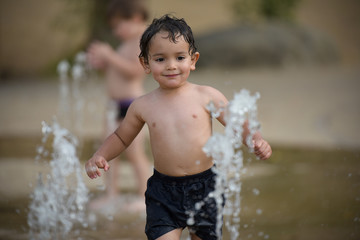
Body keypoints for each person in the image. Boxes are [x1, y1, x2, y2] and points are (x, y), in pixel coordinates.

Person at [85, 14, 272, 240]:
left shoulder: (206, 95)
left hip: (205, 187)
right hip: (163, 192)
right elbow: (122, 137)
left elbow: (236, 121)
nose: (171, 66)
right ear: (145, 63)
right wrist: (101, 155)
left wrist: (256, 139)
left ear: (193, 60)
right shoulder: (142, 105)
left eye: (180, 57)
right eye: (160, 59)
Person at [86, 0, 151, 212]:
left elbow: (135, 71)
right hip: (113, 105)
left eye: (118, 25)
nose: (116, 31)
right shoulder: (125, 43)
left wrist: (110, 56)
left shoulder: (142, 41)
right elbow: (117, 70)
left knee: (134, 152)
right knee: (107, 151)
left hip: (131, 105)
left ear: (135, 19)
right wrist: (104, 63)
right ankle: (111, 194)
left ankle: (145, 196)